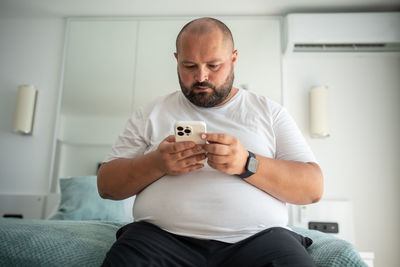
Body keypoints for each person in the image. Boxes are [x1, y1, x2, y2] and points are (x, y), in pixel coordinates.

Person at [98, 17, 323, 267]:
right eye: (189, 65)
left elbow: (312, 189)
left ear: (234, 58)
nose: (201, 76)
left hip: (260, 241)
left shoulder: (269, 112)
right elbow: (107, 186)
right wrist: (157, 164)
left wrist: (247, 163)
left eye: (213, 65)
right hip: (157, 239)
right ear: (176, 60)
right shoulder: (150, 113)